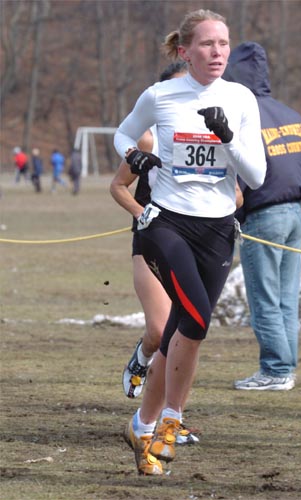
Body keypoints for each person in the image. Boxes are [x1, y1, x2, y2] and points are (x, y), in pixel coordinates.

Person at [114, 9, 266, 475]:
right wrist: (135, 157)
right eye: (206, 44)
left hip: (218, 227)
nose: (217, 52)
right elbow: (123, 133)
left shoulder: (240, 99)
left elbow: (256, 175)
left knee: (183, 328)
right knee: (196, 319)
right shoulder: (161, 96)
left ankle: (143, 421)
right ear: (185, 50)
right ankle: (171, 420)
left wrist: (227, 138)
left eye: (223, 43)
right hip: (166, 222)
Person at [111, 61, 202, 448]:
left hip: (196, 240)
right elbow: (117, 187)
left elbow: (237, 193)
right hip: (150, 240)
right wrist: (141, 213)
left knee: (188, 330)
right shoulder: (147, 140)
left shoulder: (208, 139)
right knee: (160, 330)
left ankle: (168, 417)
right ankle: (142, 357)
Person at [223, 41, 301, 391]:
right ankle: (286, 366)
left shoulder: (242, 116)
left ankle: (275, 370)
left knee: (264, 300)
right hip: (296, 214)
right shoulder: (291, 114)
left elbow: (237, 170)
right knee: (286, 299)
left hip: (263, 214)